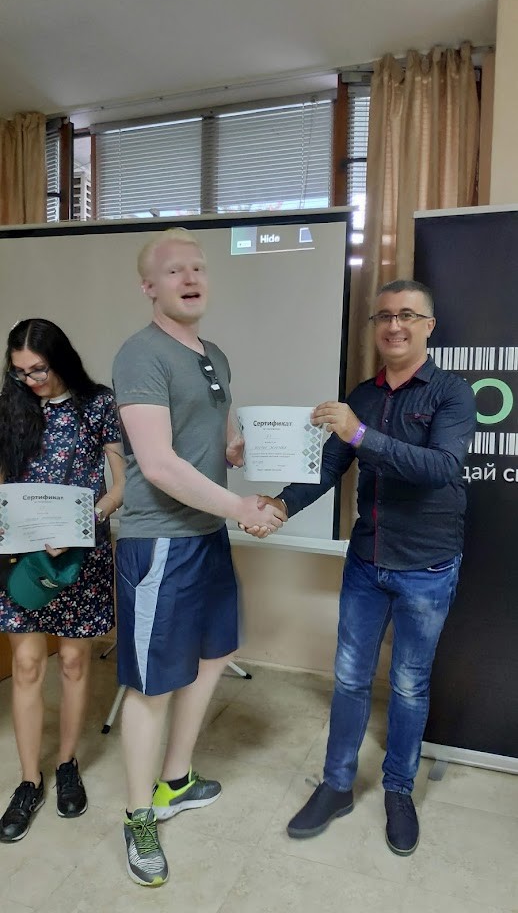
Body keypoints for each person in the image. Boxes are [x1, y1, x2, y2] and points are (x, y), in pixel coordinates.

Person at [246, 279, 476, 856]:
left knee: (409, 684)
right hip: (367, 562)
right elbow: (328, 468)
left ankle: (399, 790)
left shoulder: (452, 393)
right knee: (349, 679)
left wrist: (360, 433)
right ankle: (337, 785)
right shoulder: (362, 396)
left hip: (427, 565)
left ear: (429, 326)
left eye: (407, 315)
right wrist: (280, 505)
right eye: (384, 317)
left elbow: (440, 469)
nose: (394, 326)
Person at [112, 226, 286, 887]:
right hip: (160, 542)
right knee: (152, 685)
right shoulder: (140, 354)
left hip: (207, 536)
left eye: (198, 267)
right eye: (173, 270)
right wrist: (240, 507)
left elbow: (218, 431)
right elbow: (158, 465)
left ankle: (175, 781)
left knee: (213, 657)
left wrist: (238, 443)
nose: (190, 277)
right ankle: (139, 818)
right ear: (148, 286)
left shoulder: (213, 353)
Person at [0, 318, 124, 843]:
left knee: (73, 662)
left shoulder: (98, 404)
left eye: (39, 370)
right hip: (23, 559)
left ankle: (67, 763)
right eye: (20, 372)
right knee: (27, 665)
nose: (31, 381)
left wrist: (82, 523)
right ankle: (29, 781)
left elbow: (120, 486)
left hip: (81, 557)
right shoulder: (9, 407)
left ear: (61, 359)